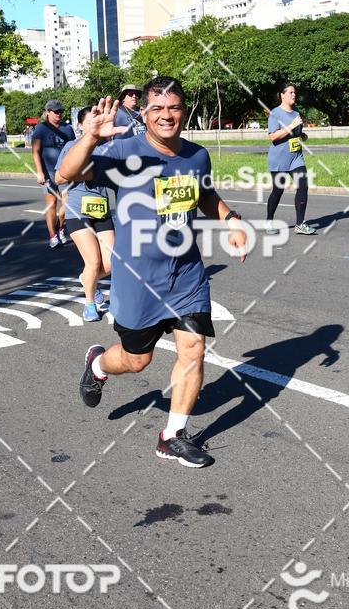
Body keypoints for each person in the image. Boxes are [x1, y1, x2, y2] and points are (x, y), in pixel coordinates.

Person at [58, 76, 247, 468]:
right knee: (135, 361)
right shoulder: (123, 149)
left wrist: (231, 218)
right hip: (138, 279)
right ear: (144, 113)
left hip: (186, 275)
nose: (166, 116)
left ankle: (172, 436)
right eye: (157, 109)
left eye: (174, 108)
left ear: (184, 111)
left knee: (194, 349)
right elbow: (67, 174)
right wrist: (90, 138)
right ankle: (97, 364)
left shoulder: (197, 156)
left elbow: (204, 195)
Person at [55, 107, 118, 323]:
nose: (96, 123)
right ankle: (90, 303)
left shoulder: (107, 148)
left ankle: (86, 279)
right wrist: (85, 173)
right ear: (80, 126)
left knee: (109, 264)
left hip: (101, 209)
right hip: (76, 210)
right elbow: (58, 178)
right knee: (92, 262)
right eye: (91, 121)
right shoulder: (72, 147)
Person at [266, 84, 316, 236]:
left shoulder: (296, 112)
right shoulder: (275, 113)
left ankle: (300, 223)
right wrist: (291, 126)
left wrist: (301, 134)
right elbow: (272, 136)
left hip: (296, 157)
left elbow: (295, 132)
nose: (294, 95)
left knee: (303, 185)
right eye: (291, 92)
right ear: (282, 95)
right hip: (279, 159)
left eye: (295, 92)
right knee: (278, 190)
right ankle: (269, 221)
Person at [32, 100, 75, 248]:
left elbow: (74, 149)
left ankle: (61, 228)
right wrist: (39, 172)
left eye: (60, 111)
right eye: (56, 111)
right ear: (48, 112)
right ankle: (52, 235)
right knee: (51, 204)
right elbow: (35, 152)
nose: (59, 114)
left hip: (65, 172)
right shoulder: (41, 129)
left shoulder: (68, 129)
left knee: (67, 204)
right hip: (48, 172)